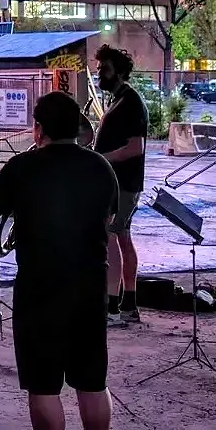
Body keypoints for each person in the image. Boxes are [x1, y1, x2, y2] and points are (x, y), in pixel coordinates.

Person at [0, 92, 119, 430]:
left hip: (41, 287)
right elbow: (109, 217)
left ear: (38, 129)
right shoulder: (101, 166)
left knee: (44, 386)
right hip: (90, 285)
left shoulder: (24, 166)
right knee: (92, 381)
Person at [91, 45, 147, 327]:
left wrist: (99, 158)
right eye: (99, 68)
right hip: (120, 182)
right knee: (122, 237)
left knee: (111, 235)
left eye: (105, 69)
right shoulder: (119, 99)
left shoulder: (131, 102)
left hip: (123, 183)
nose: (99, 73)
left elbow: (135, 148)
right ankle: (129, 304)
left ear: (120, 72)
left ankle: (111, 307)